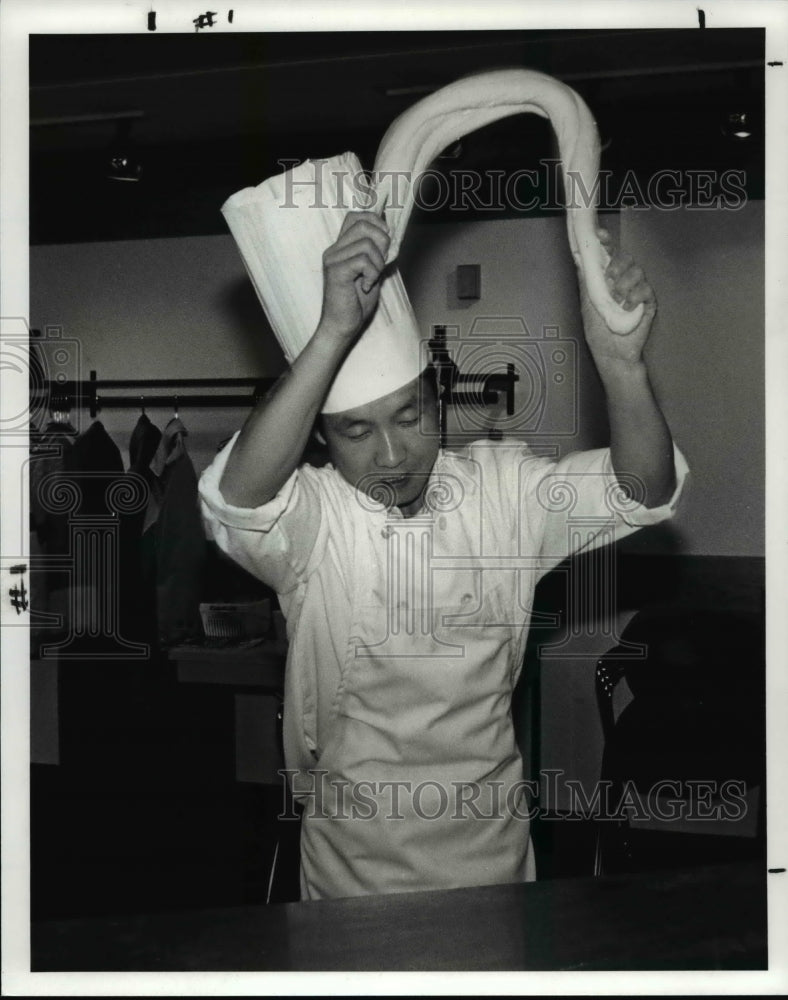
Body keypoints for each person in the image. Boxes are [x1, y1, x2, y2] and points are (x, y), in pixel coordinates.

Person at [199, 200, 687, 901]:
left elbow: (640, 488)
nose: (393, 454)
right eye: (356, 432)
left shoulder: (502, 492)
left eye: (409, 416)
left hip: (490, 863)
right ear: (321, 440)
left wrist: (623, 368)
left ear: (438, 403)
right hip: (350, 874)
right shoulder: (316, 515)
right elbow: (234, 503)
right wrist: (333, 331)